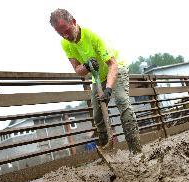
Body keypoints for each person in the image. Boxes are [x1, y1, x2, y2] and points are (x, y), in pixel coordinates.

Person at [50, 8, 142, 154]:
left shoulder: (93, 36)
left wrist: (109, 89)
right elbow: (78, 70)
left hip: (116, 70)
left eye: (66, 30)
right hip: (97, 76)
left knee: (121, 101)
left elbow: (112, 65)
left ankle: (136, 151)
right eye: (60, 33)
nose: (65, 35)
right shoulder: (65, 43)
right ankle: (109, 152)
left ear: (73, 22)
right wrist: (86, 66)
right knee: (97, 115)